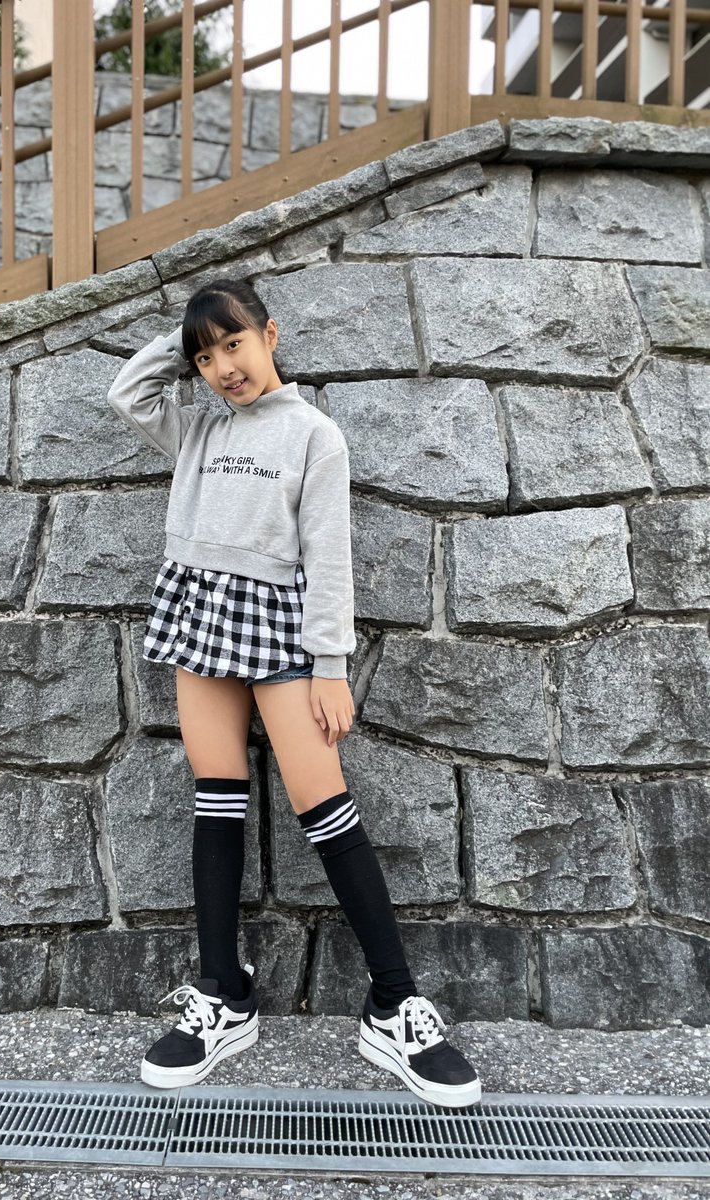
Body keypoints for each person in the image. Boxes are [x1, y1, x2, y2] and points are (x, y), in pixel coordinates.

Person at [106, 277, 481, 1109]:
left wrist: (330, 665)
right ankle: (222, 993)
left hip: (281, 625)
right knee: (216, 798)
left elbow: (329, 552)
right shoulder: (198, 425)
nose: (223, 366)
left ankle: (393, 1003)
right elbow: (126, 393)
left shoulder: (314, 433)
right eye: (206, 357)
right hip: (201, 610)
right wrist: (186, 340)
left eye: (234, 344)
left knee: (325, 805)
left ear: (270, 336)